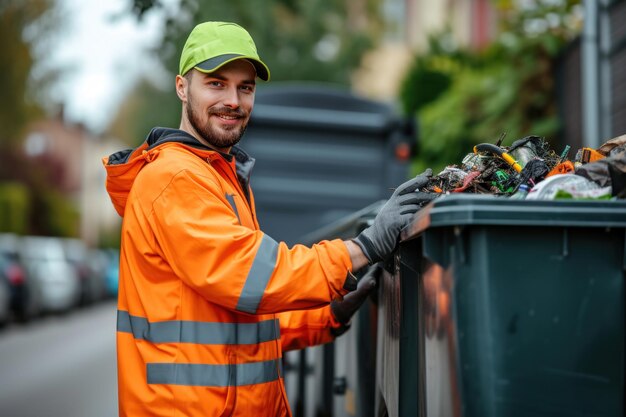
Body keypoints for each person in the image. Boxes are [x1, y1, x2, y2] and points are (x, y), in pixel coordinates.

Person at [103, 21, 433, 417]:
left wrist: (327, 315)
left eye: (245, 87)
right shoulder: (177, 178)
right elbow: (252, 275)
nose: (234, 100)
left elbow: (234, 323)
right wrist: (361, 250)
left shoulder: (215, 173)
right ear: (181, 87)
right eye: (216, 83)